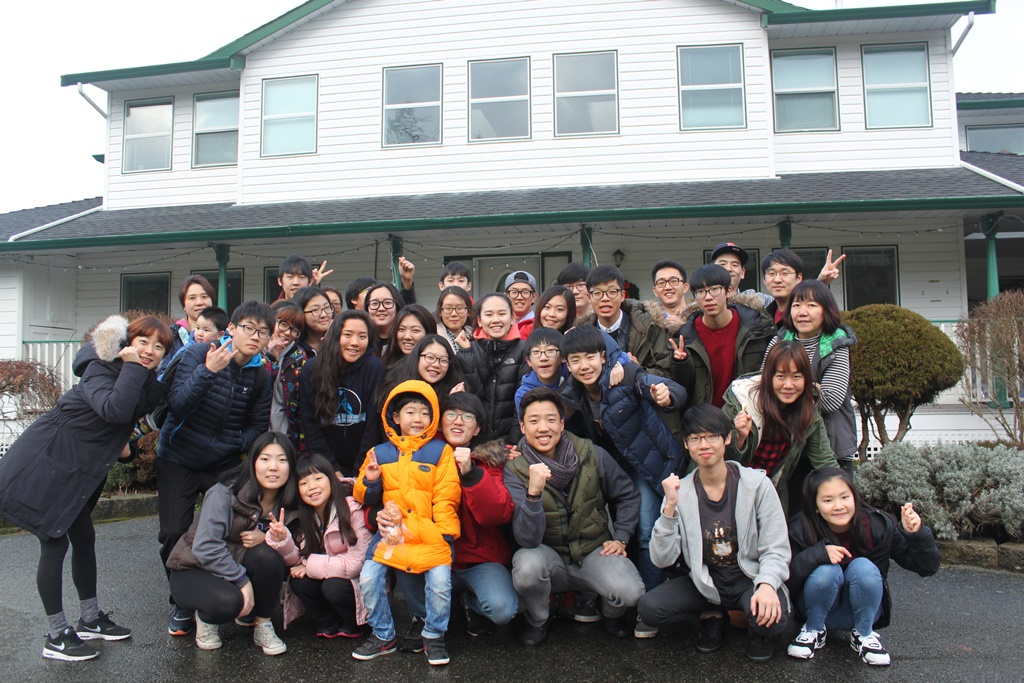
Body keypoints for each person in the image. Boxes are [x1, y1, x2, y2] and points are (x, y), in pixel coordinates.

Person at [0, 315, 171, 662]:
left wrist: (126, 446)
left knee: (84, 538)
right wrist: (132, 367)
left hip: (76, 469)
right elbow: (115, 409)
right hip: (47, 463)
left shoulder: (138, 377)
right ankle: (56, 635)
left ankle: (90, 618)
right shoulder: (99, 369)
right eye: (143, 342)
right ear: (127, 344)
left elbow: (124, 422)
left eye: (159, 347)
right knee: (54, 541)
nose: (150, 351)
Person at [636, 404, 790, 663]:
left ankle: (756, 628)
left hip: (748, 579)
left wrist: (766, 585)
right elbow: (662, 559)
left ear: (727, 438)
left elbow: (776, 546)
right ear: (686, 444)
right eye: (695, 438)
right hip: (705, 582)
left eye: (711, 436)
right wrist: (669, 509)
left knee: (772, 622)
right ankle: (712, 615)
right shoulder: (679, 492)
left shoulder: (756, 485)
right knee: (649, 608)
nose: (704, 445)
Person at [158, 301, 275, 638]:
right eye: (249, 328)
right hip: (178, 456)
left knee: (236, 527)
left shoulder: (260, 375)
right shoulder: (198, 354)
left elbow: (257, 426)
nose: (255, 337)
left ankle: (230, 588)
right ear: (232, 329)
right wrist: (207, 372)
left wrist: (232, 443)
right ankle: (182, 600)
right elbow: (177, 405)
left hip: (222, 462)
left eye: (263, 332)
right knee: (173, 531)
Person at [504, 388, 645, 647]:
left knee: (631, 592)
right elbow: (527, 539)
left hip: (593, 550)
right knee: (526, 566)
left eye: (550, 419)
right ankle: (539, 618)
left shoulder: (591, 453)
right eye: (534, 421)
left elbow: (627, 495)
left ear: (561, 423)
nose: (543, 428)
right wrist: (533, 494)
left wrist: (621, 537)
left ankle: (609, 612)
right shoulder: (514, 469)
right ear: (523, 427)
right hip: (549, 557)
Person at [559, 326, 687, 600]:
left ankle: (652, 602)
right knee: (619, 532)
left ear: (603, 357)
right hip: (611, 471)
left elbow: (672, 389)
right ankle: (625, 599)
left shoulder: (625, 376)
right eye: (576, 360)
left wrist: (666, 396)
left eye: (590, 357)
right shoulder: (570, 396)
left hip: (645, 465)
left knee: (646, 531)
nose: (584, 366)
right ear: (567, 365)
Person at [352, 381, 461, 666]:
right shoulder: (380, 452)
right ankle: (383, 634)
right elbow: (363, 495)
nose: (418, 419)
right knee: (369, 578)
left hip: (430, 532)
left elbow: (447, 496)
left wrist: (445, 535)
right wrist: (371, 480)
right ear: (395, 417)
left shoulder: (440, 451)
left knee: (440, 583)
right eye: (410, 412)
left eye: (425, 413)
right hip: (391, 533)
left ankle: (434, 635)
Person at [787, 468, 941, 666]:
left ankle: (864, 634)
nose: (839, 506)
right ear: (815, 506)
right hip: (814, 609)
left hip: (864, 610)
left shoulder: (879, 525)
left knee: (863, 567)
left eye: (845, 497)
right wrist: (817, 555)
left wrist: (916, 534)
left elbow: (927, 567)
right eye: (828, 500)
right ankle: (813, 630)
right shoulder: (800, 528)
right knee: (827, 569)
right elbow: (787, 579)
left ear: (855, 497)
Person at [166, 432, 297, 655]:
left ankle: (263, 624)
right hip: (193, 568)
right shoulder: (224, 493)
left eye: (282, 460)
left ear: (291, 466)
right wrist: (241, 580)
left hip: (234, 563)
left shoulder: (289, 500)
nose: (273, 467)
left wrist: (267, 537)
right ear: (252, 462)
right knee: (229, 602)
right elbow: (205, 547)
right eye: (265, 459)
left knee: (269, 557)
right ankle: (206, 619)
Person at [724, 341, 838, 515]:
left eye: (796, 377)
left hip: (770, 494)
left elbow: (824, 460)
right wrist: (739, 439)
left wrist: (843, 496)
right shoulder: (741, 402)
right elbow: (715, 457)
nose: (788, 385)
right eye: (781, 376)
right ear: (768, 376)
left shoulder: (808, 409)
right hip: (729, 493)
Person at [267, 454, 371, 639]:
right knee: (299, 582)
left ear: (331, 479)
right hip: (327, 573)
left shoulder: (352, 510)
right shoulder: (305, 516)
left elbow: (356, 563)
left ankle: (355, 623)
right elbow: (297, 561)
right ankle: (327, 622)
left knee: (333, 587)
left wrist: (309, 565)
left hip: (356, 583)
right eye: (303, 483)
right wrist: (283, 540)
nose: (312, 487)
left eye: (317, 478)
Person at [442, 393, 518, 636]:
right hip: (437, 558)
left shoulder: (489, 461)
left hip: (480, 558)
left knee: (504, 609)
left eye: (467, 417)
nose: (458, 421)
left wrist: (471, 474)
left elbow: (497, 514)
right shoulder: (425, 457)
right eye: (451, 414)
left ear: (477, 429)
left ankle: (469, 603)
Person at [767, 280, 858, 471]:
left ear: (826, 310)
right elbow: (764, 388)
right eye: (796, 305)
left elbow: (830, 401)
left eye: (811, 305)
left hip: (830, 446)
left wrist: (787, 390)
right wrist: (815, 386)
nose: (802, 312)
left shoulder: (837, 345)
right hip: (785, 446)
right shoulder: (778, 342)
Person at [675, 264, 776, 408]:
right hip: (705, 416)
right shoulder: (685, 335)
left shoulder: (757, 327)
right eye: (701, 292)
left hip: (748, 412)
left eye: (715, 289)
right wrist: (680, 364)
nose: (708, 297)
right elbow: (683, 388)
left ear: (728, 291)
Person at [300, 311, 384, 476]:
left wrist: (358, 471)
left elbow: (373, 427)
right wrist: (332, 470)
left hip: (363, 464)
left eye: (362, 336)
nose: (355, 342)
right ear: (335, 336)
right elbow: (311, 425)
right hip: (325, 463)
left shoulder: (374, 368)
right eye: (347, 335)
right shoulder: (312, 369)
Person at [576, 265, 682, 381]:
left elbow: (666, 372)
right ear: (589, 297)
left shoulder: (650, 326)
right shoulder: (580, 334)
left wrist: (636, 371)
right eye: (597, 293)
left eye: (612, 292)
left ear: (622, 296)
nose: (605, 298)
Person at [454, 293, 528, 442]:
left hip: (512, 441)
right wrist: (467, 355)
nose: (495, 320)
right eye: (489, 314)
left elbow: (522, 401)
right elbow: (473, 396)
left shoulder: (524, 349)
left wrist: (514, 442)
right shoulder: (469, 350)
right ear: (480, 321)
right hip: (476, 439)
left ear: (512, 318)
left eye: (502, 314)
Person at [265, 301, 308, 455]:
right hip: (257, 431)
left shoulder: (299, 357)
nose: (288, 333)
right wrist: (270, 358)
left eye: (295, 330)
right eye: (283, 325)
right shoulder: (255, 349)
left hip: (287, 433)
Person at [159, 274, 215, 374]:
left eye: (204, 296)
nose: (199, 302)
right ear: (183, 305)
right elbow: (163, 373)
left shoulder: (227, 335)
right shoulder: (171, 335)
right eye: (192, 298)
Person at [711, 242, 772, 307]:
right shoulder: (704, 302)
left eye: (734, 265)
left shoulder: (759, 301)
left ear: (742, 273)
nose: (728, 269)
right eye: (722, 264)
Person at [293, 286, 334, 357]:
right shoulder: (294, 350)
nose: (324, 314)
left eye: (327, 307)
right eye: (315, 310)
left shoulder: (341, 342)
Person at [651, 259, 690, 328]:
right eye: (661, 283)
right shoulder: (647, 321)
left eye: (673, 281)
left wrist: (683, 327)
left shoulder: (700, 317)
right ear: (655, 291)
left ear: (685, 287)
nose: (668, 287)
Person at [435, 285, 474, 351]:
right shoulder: (434, 337)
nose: (454, 314)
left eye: (459, 308)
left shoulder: (476, 337)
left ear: (468, 312)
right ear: (440, 312)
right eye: (448, 308)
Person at [505, 271, 538, 338]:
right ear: (505, 296)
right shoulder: (501, 325)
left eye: (525, 292)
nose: (519, 297)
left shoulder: (539, 325)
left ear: (534, 297)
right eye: (514, 292)